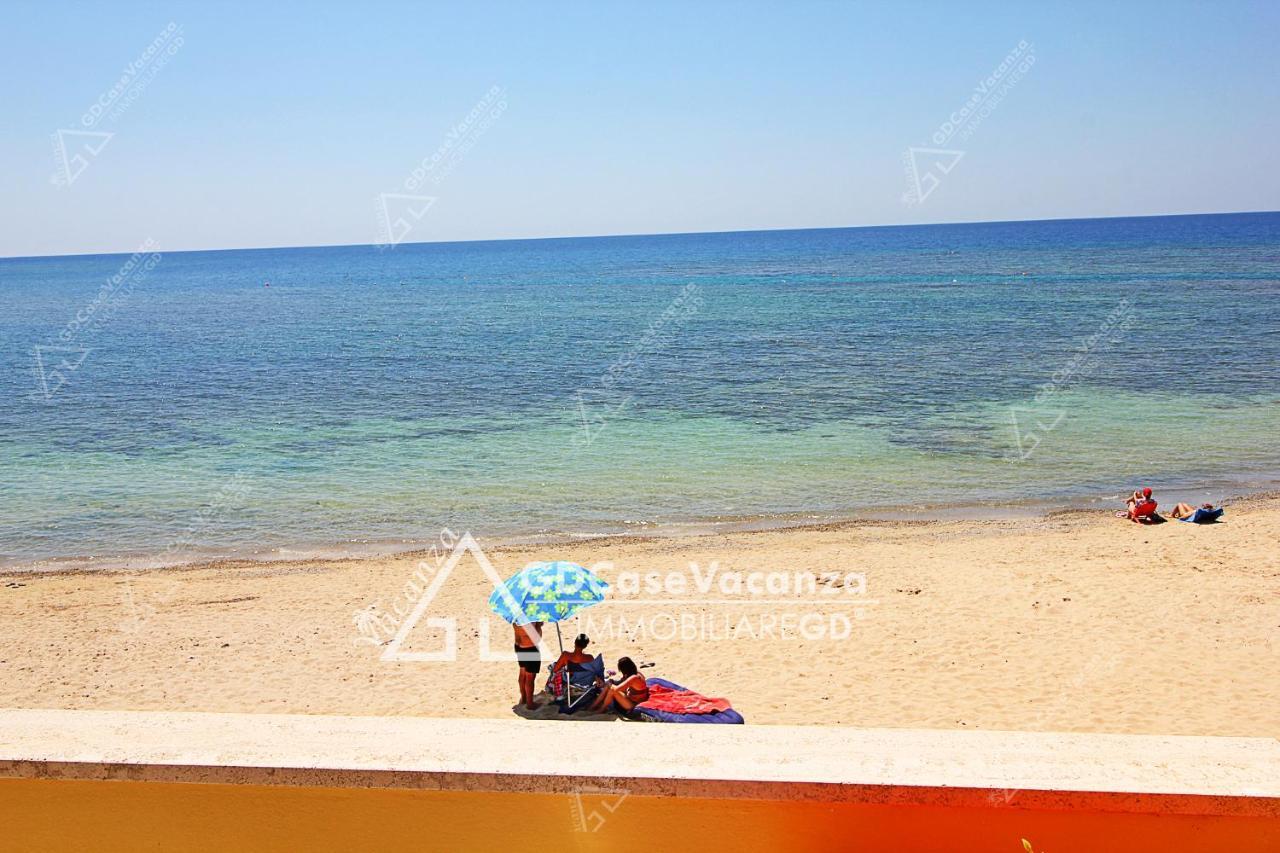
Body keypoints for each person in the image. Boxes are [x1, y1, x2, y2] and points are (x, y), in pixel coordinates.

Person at [513, 621, 544, 710]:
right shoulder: (530, 618)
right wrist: (538, 624)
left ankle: (523, 698)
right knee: (530, 677)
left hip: (519, 645)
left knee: (523, 672)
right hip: (530, 647)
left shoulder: (516, 616)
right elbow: (536, 638)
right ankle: (530, 704)